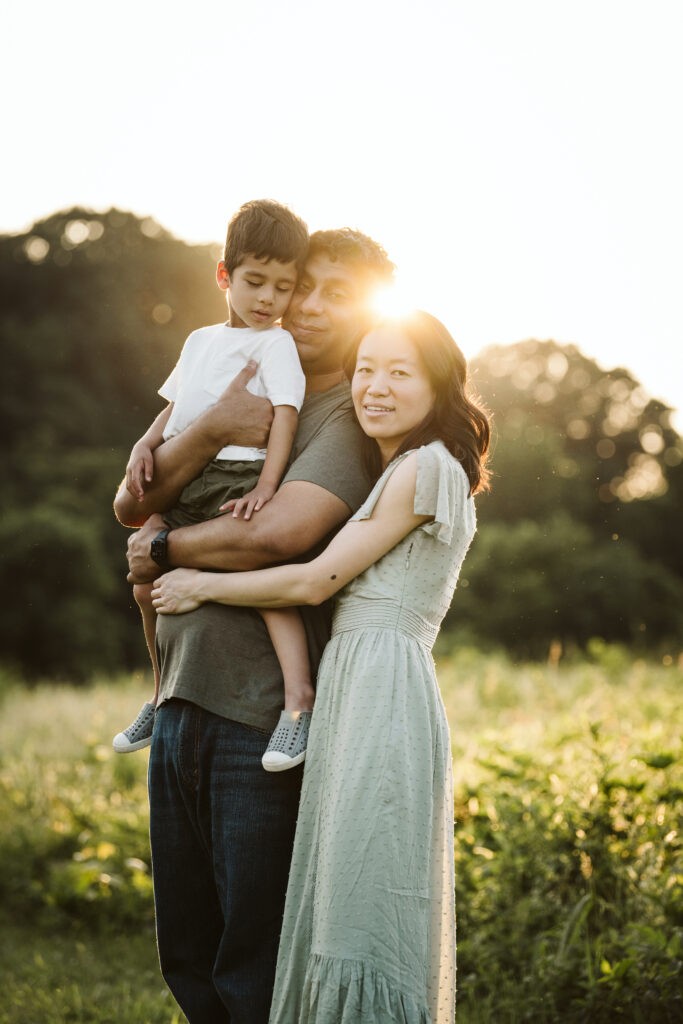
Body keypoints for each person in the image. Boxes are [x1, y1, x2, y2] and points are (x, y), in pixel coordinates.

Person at [150, 310, 491, 1023]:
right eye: (365, 369)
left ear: (439, 384)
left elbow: (314, 580)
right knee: (341, 888)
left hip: (378, 687)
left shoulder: (424, 467)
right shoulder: (408, 466)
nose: (374, 386)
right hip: (361, 680)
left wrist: (200, 582)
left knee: (360, 894)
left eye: (399, 372)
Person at [115, 228, 395, 1023]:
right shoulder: (229, 372)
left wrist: (165, 547)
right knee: (189, 959)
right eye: (298, 284)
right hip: (179, 696)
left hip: (258, 717)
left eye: (334, 294)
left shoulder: (344, 415)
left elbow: (279, 535)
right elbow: (128, 502)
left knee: (252, 965)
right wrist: (207, 430)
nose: (302, 305)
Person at [113, 199, 317, 771]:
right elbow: (177, 409)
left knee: (254, 576)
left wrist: (266, 486)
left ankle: (298, 704)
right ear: (224, 275)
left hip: (237, 473)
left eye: (283, 287)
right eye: (255, 282)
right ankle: (158, 692)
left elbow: (285, 415)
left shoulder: (275, 344)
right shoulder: (201, 341)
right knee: (141, 574)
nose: (268, 299)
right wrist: (142, 445)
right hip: (185, 476)